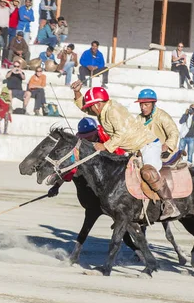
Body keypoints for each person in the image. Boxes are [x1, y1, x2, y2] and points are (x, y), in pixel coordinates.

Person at [71, 82, 180, 220]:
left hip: (148, 146)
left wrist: (104, 146)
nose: (90, 109)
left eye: (92, 106)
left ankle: (170, 204)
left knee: (148, 172)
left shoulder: (113, 111)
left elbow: (121, 133)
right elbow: (85, 108)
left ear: (98, 104)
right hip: (136, 149)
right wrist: (77, 93)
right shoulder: (103, 109)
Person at [135, 89, 179, 155]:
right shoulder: (139, 118)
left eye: (146, 105)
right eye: (141, 104)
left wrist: (167, 145)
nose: (143, 107)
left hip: (162, 153)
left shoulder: (163, 116)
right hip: (145, 152)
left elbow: (174, 132)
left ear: (153, 104)